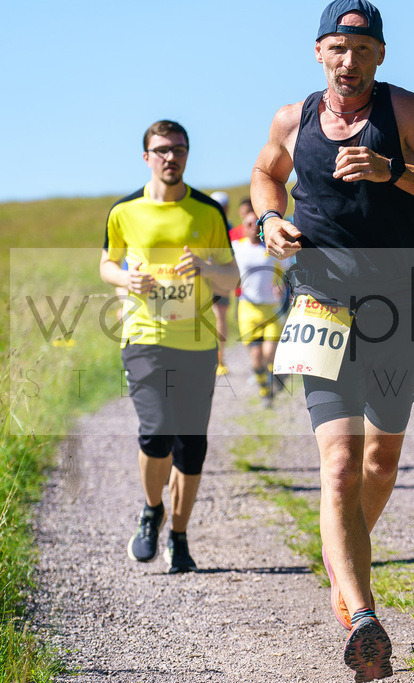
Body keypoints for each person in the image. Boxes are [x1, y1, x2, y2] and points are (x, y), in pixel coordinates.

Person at [249, 1, 414, 679]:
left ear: (379, 56)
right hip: (318, 300)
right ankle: (362, 614)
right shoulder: (292, 119)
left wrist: (395, 171)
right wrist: (268, 217)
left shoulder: (404, 112)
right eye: (337, 49)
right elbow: (266, 171)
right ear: (318, 52)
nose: (349, 61)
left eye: (362, 49)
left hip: (395, 305)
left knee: (380, 461)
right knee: (341, 465)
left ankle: (343, 563)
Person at [99, 120, 239, 574]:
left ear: (187, 154)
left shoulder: (206, 212)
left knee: (191, 446)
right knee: (156, 432)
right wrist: (125, 278)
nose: (170, 157)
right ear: (146, 157)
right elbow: (106, 263)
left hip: (196, 343)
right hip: (144, 337)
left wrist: (203, 266)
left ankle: (178, 536)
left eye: (178, 149)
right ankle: (150, 509)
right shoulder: (124, 211)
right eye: (161, 150)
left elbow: (232, 277)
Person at [234, 210, 287, 408]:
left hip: (270, 309)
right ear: (243, 226)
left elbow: (286, 270)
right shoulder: (236, 248)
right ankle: (265, 391)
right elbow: (226, 268)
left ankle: (276, 380)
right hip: (247, 308)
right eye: (249, 224)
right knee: (256, 359)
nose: (253, 228)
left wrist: (281, 285)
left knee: (269, 355)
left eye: (256, 224)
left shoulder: (271, 248)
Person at [210, 190, 234, 375]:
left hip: (221, 277)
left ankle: (220, 359)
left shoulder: (230, 229)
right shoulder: (204, 223)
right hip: (203, 277)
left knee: (220, 316)